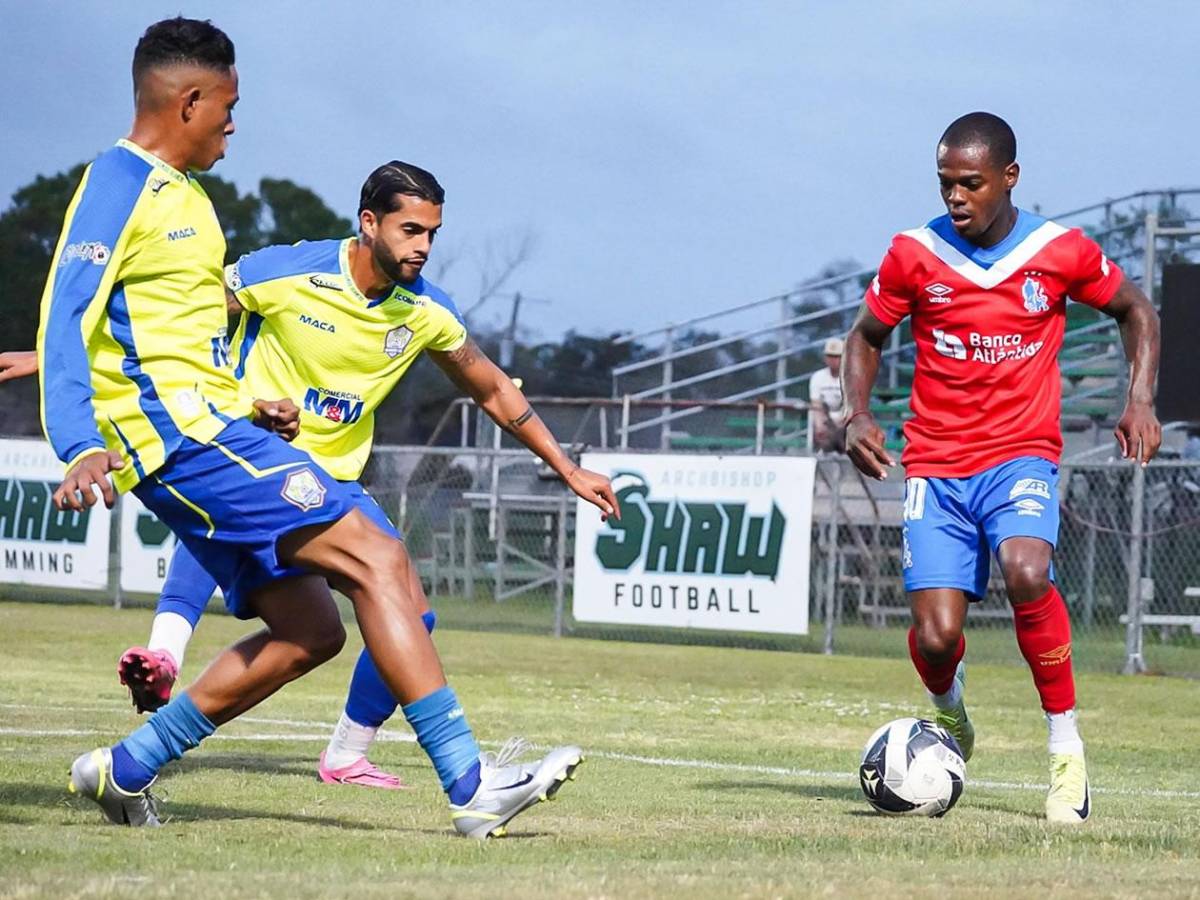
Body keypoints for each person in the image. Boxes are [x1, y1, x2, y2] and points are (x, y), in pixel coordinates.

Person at [37, 17, 616, 838]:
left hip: (214, 427)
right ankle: (468, 783)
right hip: (178, 442)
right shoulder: (121, 181)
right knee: (380, 557)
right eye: (229, 107)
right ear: (191, 99)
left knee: (312, 632)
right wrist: (76, 436)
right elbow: (69, 308)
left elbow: (176, 338)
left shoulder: (190, 201)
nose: (236, 123)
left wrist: (246, 405)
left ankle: (124, 769)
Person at [842, 112, 1161, 824]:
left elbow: (1137, 310)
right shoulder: (914, 254)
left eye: (971, 183)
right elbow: (865, 337)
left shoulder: (1058, 251)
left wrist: (1138, 399)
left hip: (1019, 455)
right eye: (946, 182)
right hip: (936, 463)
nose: (956, 196)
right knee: (936, 637)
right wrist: (857, 415)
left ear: (1009, 178)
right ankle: (950, 719)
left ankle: (1066, 752)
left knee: (1026, 571)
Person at [808, 337, 846, 451]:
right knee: (820, 431)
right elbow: (816, 404)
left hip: (844, 419)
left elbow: (850, 405)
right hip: (825, 419)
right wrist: (820, 424)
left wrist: (841, 421)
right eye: (830, 356)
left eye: (836, 356)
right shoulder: (818, 377)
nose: (833, 360)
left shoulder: (850, 378)